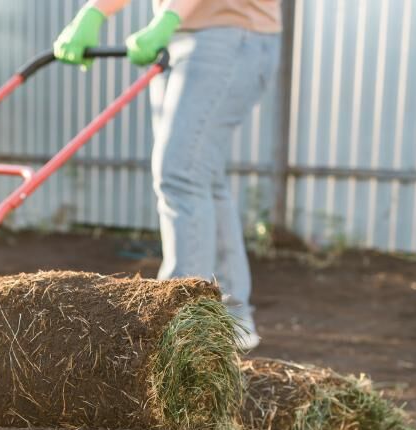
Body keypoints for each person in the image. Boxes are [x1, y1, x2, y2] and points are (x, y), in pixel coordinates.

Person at [54, 0, 281, 349]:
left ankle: (182, 324)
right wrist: (95, 11)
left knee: (181, 172)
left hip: (230, 33)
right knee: (201, 175)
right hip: (181, 34)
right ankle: (232, 320)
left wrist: (170, 16)